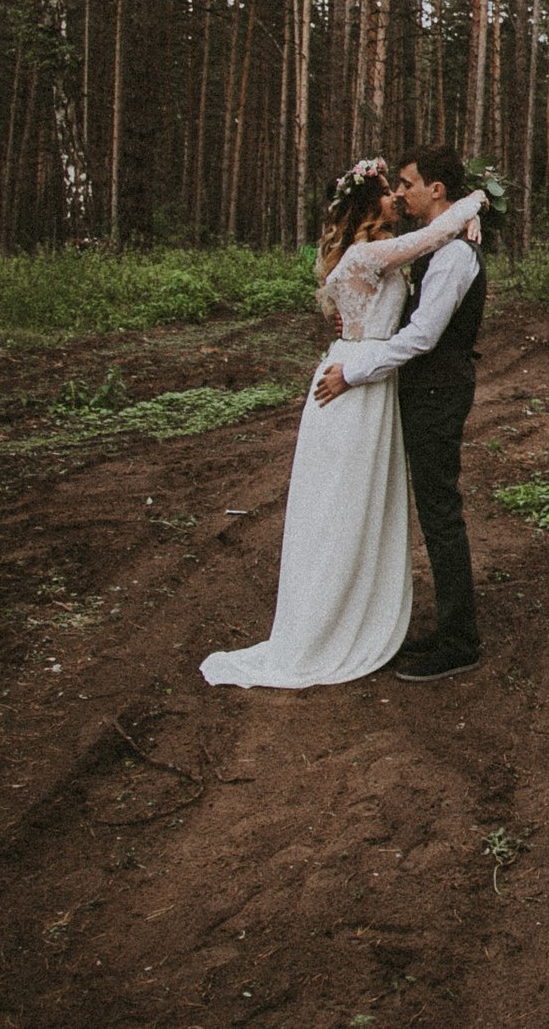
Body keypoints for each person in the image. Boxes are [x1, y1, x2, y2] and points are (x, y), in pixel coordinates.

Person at [199, 159, 485, 690]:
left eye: (404, 187)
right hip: (353, 387)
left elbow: (429, 255)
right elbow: (435, 236)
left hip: (371, 383)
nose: (398, 197)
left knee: (365, 506)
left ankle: (368, 616)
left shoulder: (378, 257)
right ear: (366, 203)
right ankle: (332, 624)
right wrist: (476, 203)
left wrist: (468, 218)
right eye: (389, 190)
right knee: (340, 507)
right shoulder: (368, 255)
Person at [311, 144, 488, 682]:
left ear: (437, 190)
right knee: (423, 509)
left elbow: (422, 336)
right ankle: (440, 625)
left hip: (437, 392)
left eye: (408, 183)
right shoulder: (429, 248)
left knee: (439, 511)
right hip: (415, 391)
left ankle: (460, 641)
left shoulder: (455, 255)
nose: (401, 193)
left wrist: (359, 371)